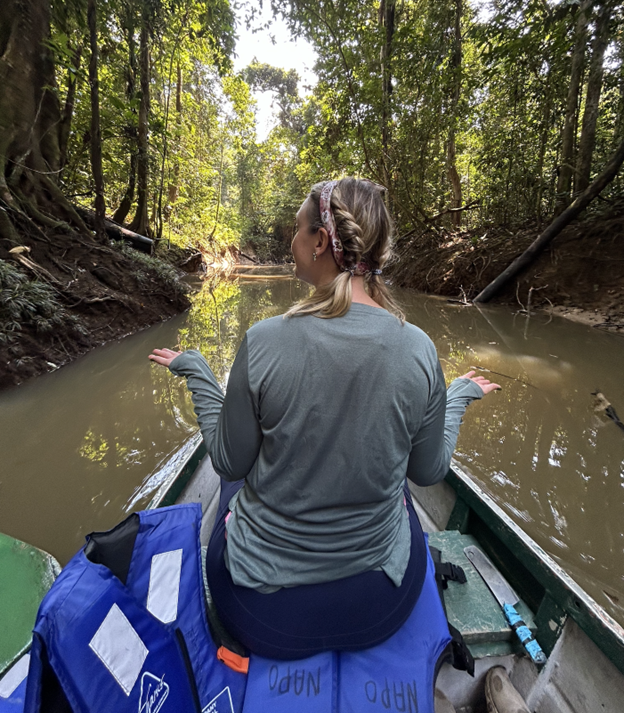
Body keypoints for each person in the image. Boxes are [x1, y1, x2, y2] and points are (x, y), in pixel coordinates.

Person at [149, 178, 500, 661]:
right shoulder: (419, 349)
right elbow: (427, 472)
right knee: (395, 484)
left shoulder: (265, 340)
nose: (291, 241)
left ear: (319, 241)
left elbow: (229, 463)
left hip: (264, 613)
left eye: (296, 229)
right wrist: (457, 395)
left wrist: (198, 372)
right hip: (380, 606)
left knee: (234, 482)